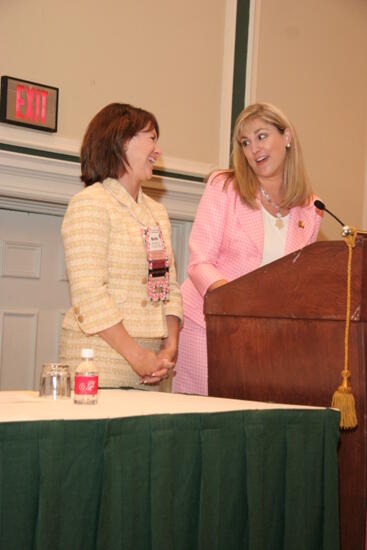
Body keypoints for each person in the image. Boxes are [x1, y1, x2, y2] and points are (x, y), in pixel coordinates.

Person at [172, 102, 323, 396]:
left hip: (267, 338)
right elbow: (200, 262)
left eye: (262, 136)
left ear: (287, 137)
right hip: (207, 328)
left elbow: (300, 283)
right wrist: (236, 304)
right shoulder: (225, 187)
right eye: (245, 142)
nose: (254, 149)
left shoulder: (311, 208)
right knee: (207, 427)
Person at [59, 103, 182, 389]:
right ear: (121, 141)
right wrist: (137, 356)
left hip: (155, 364)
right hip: (101, 359)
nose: (158, 150)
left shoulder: (157, 213)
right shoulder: (90, 203)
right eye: (151, 137)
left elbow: (169, 287)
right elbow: (89, 295)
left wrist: (169, 347)